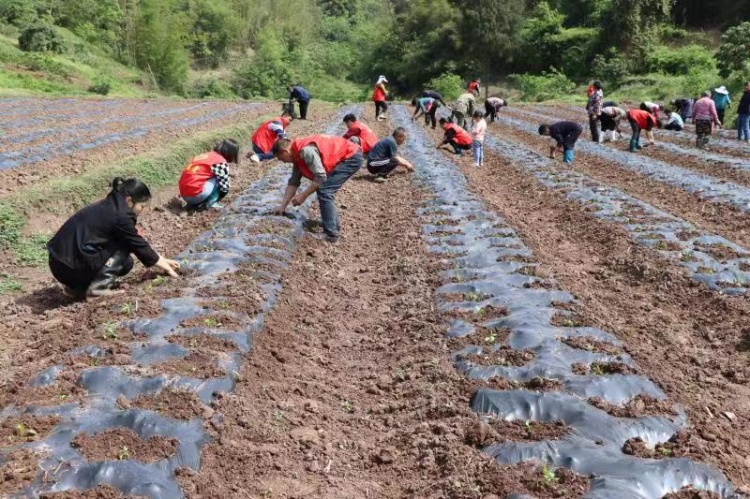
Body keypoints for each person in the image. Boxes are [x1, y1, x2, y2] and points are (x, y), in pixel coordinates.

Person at [47, 178, 180, 299]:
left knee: (126, 263)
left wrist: (161, 259)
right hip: (70, 267)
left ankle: (76, 288)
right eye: (142, 206)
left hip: (58, 263)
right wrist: (164, 266)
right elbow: (137, 244)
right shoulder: (121, 215)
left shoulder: (110, 205)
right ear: (129, 201)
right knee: (124, 243)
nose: (142, 210)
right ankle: (97, 288)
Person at [272, 136, 362, 243]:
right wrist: (283, 206)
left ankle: (331, 234)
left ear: (285, 151)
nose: (283, 162)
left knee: (325, 190)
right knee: (324, 189)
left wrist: (303, 195)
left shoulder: (306, 152)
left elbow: (320, 177)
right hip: (349, 155)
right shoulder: (296, 156)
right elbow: (293, 182)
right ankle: (333, 226)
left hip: (351, 156)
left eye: (281, 158)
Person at [179, 139, 239, 210]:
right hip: (195, 195)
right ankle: (211, 203)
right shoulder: (220, 161)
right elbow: (225, 187)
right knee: (221, 178)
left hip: (184, 194)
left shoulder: (207, 155)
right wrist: (219, 197)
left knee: (212, 176)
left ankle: (193, 203)